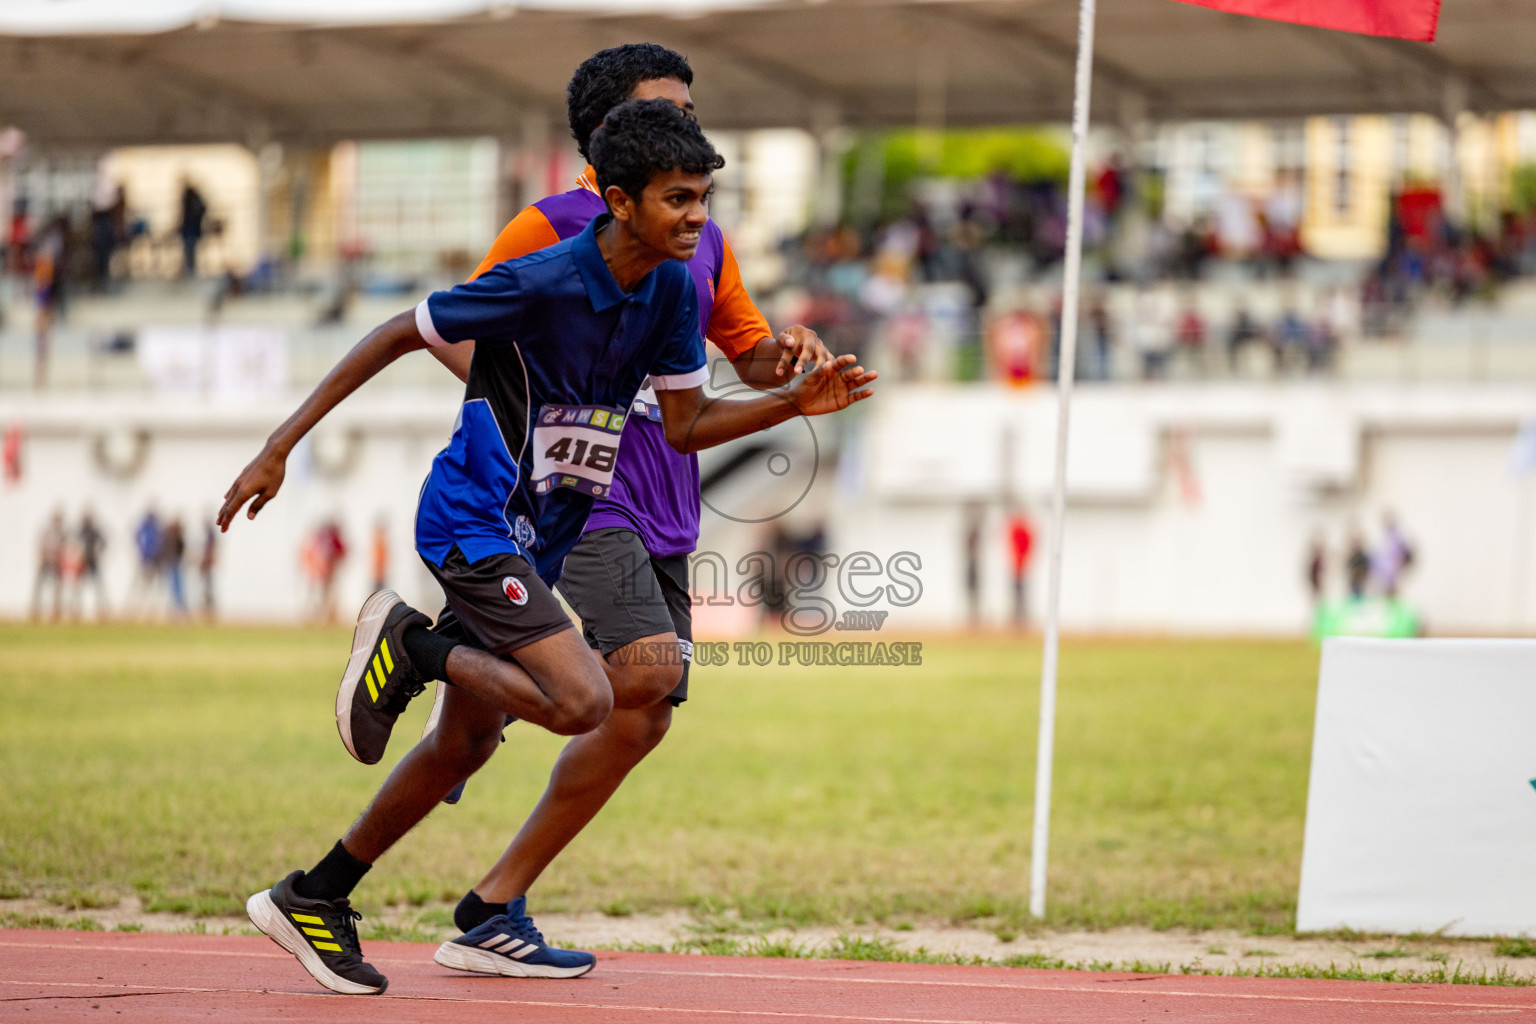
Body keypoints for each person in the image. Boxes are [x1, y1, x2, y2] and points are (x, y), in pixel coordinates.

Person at [216, 98, 874, 997]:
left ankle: (316, 894)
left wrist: (794, 403)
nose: (696, 218)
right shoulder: (542, 278)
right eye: (678, 199)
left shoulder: (675, 292)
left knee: (467, 746)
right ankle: (415, 645)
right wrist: (277, 448)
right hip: (473, 521)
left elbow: (685, 427)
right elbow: (400, 332)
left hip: (542, 536)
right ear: (617, 200)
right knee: (583, 700)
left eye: (704, 199)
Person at [423, 43, 839, 934]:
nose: (688, 124)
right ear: (613, 130)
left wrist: (790, 353)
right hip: (581, 479)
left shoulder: (700, 230)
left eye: (691, 109)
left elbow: (747, 350)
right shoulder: (547, 226)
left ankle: (493, 901)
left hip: (669, 485)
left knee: (646, 715)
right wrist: (548, 405)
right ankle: (443, 672)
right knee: (641, 670)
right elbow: (455, 327)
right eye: (669, 109)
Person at [30, 509, 66, 621]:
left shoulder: (62, 533)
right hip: (45, 562)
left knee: (57, 587)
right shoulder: (47, 532)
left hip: (56, 563)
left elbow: (64, 548)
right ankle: (36, 610)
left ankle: (56, 611)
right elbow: (41, 545)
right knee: (39, 587)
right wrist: (42, 557)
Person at [178, 179, 207, 278]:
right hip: (191, 229)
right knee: (190, 249)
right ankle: (190, 269)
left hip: (191, 229)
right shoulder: (194, 201)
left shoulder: (191, 201)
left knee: (190, 249)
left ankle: (190, 269)